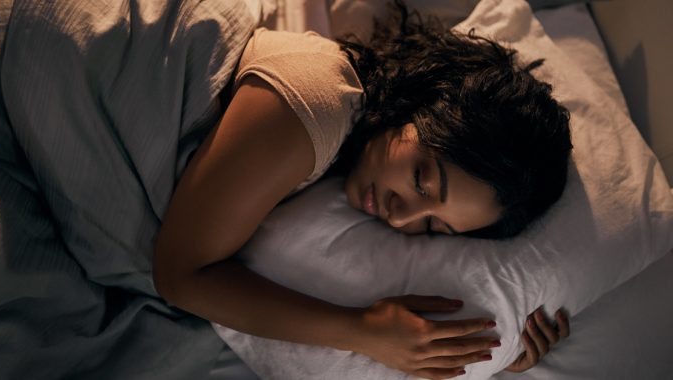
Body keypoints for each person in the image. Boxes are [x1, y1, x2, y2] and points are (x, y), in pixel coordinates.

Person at [153, 1, 573, 378]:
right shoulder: (317, 102)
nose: (400, 214)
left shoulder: (347, 148)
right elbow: (180, 278)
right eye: (421, 180)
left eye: (433, 226)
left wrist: (502, 352)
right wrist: (360, 331)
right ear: (420, 105)